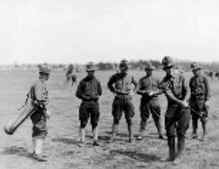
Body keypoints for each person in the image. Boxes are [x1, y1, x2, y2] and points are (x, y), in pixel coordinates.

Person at [160, 56, 190, 163]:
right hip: (172, 108)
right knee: (170, 133)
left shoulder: (181, 76)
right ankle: (171, 155)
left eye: (171, 67)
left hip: (184, 108)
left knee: (181, 132)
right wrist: (180, 102)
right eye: (167, 68)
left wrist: (185, 101)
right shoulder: (164, 81)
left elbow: (187, 90)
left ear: (173, 66)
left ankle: (178, 156)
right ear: (164, 69)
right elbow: (169, 94)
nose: (169, 69)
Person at [107, 60, 137, 143]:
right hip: (118, 98)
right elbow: (109, 84)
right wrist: (114, 91)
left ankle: (131, 137)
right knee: (116, 118)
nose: (125, 69)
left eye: (126, 68)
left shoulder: (131, 76)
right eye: (123, 67)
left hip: (127, 99)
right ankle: (113, 136)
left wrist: (133, 93)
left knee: (129, 118)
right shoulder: (115, 76)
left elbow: (137, 85)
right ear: (120, 68)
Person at [76, 62, 102, 146]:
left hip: (94, 103)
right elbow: (77, 94)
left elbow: (100, 92)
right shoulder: (83, 82)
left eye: (93, 71)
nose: (91, 73)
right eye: (90, 71)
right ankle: (82, 140)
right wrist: (85, 97)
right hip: (85, 104)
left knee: (95, 122)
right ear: (87, 72)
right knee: (83, 122)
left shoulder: (97, 81)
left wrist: (95, 96)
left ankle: (95, 140)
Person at [28, 65, 51, 162]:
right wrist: (46, 111)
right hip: (38, 111)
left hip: (35, 111)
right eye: (48, 74)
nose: (49, 76)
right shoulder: (39, 84)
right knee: (41, 131)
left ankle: (35, 152)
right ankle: (38, 153)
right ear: (44, 74)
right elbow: (39, 101)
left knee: (37, 131)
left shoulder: (39, 83)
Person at [136, 62, 164, 140]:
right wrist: (145, 92)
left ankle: (160, 133)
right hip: (145, 101)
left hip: (154, 101)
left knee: (157, 117)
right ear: (145, 70)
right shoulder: (142, 80)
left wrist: (154, 92)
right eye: (148, 70)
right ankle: (141, 134)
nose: (149, 71)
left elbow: (162, 90)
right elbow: (137, 90)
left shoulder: (157, 79)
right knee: (144, 118)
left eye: (151, 70)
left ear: (153, 70)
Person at [189, 63, 210, 141]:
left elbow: (208, 90)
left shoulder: (204, 78)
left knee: (203, 117)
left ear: (199, 70)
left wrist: (207, 100)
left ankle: (205, 134)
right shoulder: (191, 79)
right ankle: (194, 133)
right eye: (193, 70)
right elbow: (191, 90)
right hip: (194, 101)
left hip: (202, 100)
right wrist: (190, 100)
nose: (194, 72)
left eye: (196, 70)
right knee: (194, 118)